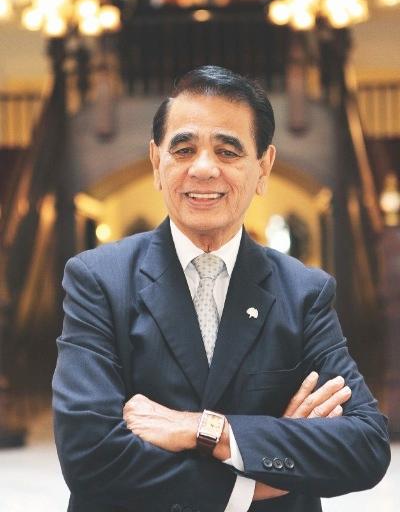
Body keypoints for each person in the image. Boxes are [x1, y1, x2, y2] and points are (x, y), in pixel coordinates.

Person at [52, 66, 390, 512]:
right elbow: (89, 453)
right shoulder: (98, 280)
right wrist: (253, 482)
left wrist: (205, 429)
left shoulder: (305, 293)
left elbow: (365, 445)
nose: (204, 168)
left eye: (228, 151)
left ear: (263, 167)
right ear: (157, 162)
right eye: (184, 149)